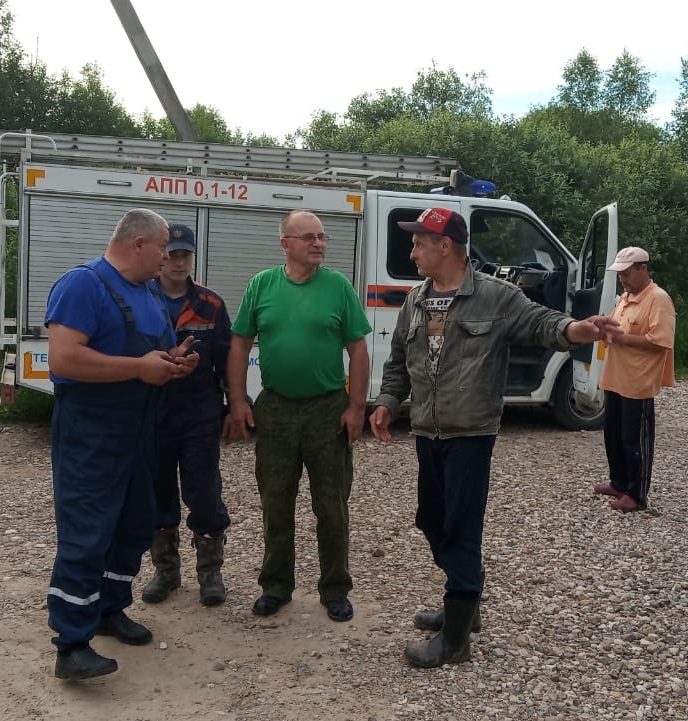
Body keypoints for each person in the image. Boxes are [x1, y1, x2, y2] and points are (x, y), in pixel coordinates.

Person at [367, 207, 620, 669]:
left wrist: (576, 329)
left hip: (471, 433)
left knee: (461, 528)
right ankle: (466, 601)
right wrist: (386, 401)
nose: (412, 250)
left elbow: (543, 323)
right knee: (431, 520)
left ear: (445, 246)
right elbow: (399, 358)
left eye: (419, 242)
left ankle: (456, 636)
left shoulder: (496, 297)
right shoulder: (417, 298)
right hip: (428, 429)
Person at [44, 208, 199, 681]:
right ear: (137, 244)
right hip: (92, 431)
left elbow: (154, 353)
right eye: (162, 250)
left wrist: (175, 361)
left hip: (140, 429)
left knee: (133, 527)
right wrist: (138, 369)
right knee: (87, 532)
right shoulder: (83, 285)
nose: (168, 260)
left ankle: (110, 609)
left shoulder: (148, 292)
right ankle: (71, 644)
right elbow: (65, 358)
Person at [227, 209, 371, 624]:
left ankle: (335, 589)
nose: (319, 244)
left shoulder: (338, 287)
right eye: (308, 237)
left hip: (328, 410)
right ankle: (275, 586)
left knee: (332, 505)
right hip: (276, 409)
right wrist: (238, 400)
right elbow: (239, 344)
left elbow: (358, 350)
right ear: (285, 244)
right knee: (276, 503)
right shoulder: (262, 285)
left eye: (322, 237)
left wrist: (356, 407)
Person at [141, 223, 233, 607]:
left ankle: (210, 573)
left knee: (205, 494)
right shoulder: (141, 297)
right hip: (154, 413)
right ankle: (166, 572)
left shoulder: (210, 304)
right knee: (158, 494)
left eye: (185, 255)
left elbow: (229, 361)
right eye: (172, 254)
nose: (179, 261)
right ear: (162, 256)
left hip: (199, 415)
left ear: (193, 258)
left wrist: (235, 406)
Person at [594, 246, 676, 513]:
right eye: (620, 275)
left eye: (627, 274)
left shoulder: (658, 300)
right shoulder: (626, 298)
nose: (623, 280)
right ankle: (619, 482)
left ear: (643, 269)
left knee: (634, 439)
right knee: (613, 435)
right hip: (615, 378)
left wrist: (621, 338)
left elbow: (660, 342)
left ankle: (637, 494)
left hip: (637, 382)